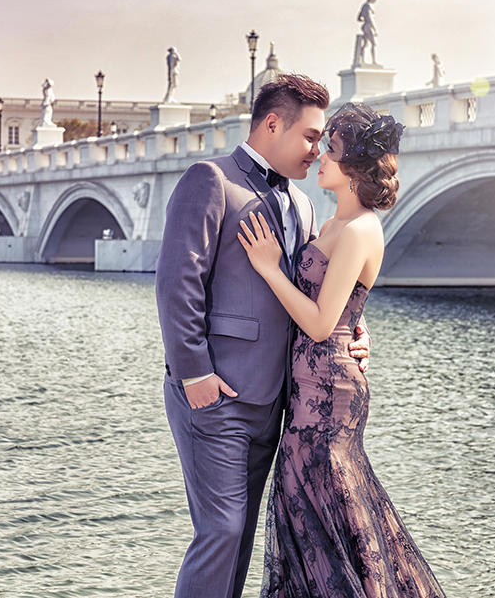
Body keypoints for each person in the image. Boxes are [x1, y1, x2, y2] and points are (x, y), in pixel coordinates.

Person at [156, 74, 372, 598]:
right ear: (272, 124)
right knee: (221, 531)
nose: (317, 150)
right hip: (216, 397)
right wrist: (196, 375)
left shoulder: (302, 207)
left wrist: (356, 329)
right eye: (310, 136)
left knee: (243, 536)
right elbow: (176, 285)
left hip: (277, 402)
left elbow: (314, 292)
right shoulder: (210, 181)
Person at [238, 102, 445, 597]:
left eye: (330, 150)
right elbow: (344, 303)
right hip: (309, 387)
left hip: (329, 395)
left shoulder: (359, 230)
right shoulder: (330, 224)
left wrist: (269, 268)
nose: (320, 158)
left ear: (352, 169)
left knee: (326, 510)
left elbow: (319, 321)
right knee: (307, 511)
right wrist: (360, 325)